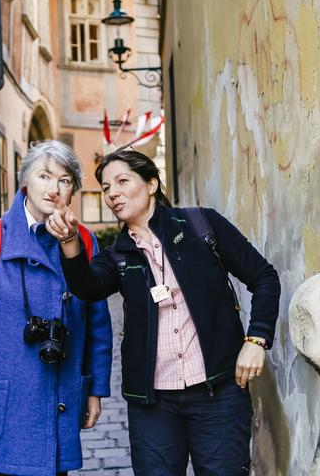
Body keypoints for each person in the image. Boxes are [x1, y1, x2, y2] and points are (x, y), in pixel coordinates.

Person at [46, 146, 281, 476]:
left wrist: (256, 339)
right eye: (106, 188)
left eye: (122, 181)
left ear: (152, 184)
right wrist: (70, 240)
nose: (112, 193)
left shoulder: (201, 225)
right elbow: (87, 286)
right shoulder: (118, 255)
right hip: (153, 405)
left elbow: (264, 276)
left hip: (219, 395)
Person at [0, 140, 113, 476]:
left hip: (57, 411)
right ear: (25, 182)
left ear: (73, 190)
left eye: (64, 180)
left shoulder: (84, 242)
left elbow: (98, 326)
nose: (53, 188)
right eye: (44, 176)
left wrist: (94, 391)